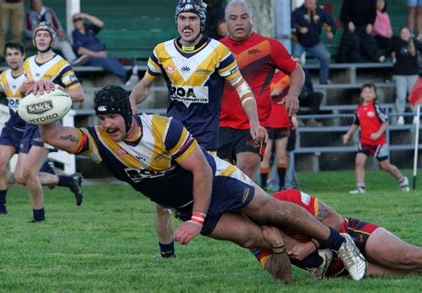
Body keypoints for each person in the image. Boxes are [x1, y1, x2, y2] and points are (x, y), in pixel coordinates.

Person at [29, 83, 367, 281]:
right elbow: (56, 135)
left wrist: (197, 221)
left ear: (128, 113)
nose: (108, 125)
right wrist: (44, 104)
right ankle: (314, 262)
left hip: (216, 180)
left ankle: (339, 243)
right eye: (101, 119)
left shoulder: (164, 129)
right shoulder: (101, 141)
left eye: (113, 117)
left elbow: (202, 172)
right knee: (254, 237)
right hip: (186, 204)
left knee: (272, 211)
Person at [130, 0, 267, 259]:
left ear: (201, 22)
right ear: (176, 22)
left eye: (193, 19)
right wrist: (130, 104)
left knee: (220, 199)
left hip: (204, 139)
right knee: (160, 197)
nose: (187, 24)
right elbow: (144, 86)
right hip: (172, 135)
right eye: (183, 19)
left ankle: (261, 235)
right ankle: (166, 253)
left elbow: (243, 89)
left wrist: (255, 122)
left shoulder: (218, 52)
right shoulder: (162, 51)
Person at [0, 41, 82, 214]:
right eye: (9, 54)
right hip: (12, 127)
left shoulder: (32, 77)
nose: (12, 58)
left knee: (24, 176)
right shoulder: (3, 77)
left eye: (16, 54)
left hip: (31, 126)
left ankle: (60, 185)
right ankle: (1, 210)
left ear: (24, 56)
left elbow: (49, 96)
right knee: (1, 167)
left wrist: (34, 90)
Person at [218, 0, 303, 179]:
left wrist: (293, 95)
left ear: (252, 19)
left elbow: (296, 71)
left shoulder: (269, 46)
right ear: (226, 22)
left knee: (244, 174)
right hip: (220, 124)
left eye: (244, 17)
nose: (239, 22)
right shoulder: (215, 49)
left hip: (255, 125)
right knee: (221, 179)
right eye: (233, 18)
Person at [254, 188, 422, 278]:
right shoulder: (252, 234)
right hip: (341, 269)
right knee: (409, 271)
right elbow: (284, 277)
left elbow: (335, 220)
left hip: (353, 235)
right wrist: (277, 246)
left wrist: (310, 246)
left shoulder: (287, 197)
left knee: (407, 258)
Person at [21, 22, 85, 222]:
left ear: (52, 40)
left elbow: (79, 94)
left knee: (29, 172)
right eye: (38, 35)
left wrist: (55, 88)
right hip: (30, 121)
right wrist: (27, 88)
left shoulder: (61, 64)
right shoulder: (28, 63)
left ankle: (39, 217)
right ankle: (69, 181)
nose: (41, 38)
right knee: (20, 176)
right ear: (34, 39)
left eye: (45, 35)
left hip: (50, 124)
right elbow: (24, 90)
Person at [342, 83, 410, 194]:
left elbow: (385, 122)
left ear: (374, 95)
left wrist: (378, 134)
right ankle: (360, 187)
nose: (368, 94)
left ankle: (402, 179)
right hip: (365, 141)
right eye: (366, 92)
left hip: (379, 142)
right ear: (361, 95)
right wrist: (348, 135)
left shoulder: (376, 107)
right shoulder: (358, 110)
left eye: (371, 92)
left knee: (385, 166)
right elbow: (355, 124)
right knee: (359, 161)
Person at [260, 70, 297, 191]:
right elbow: (274, 91)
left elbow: (278, 90)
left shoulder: (286, 77)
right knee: (266, 155)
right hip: (267, 120)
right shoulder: (264, 76)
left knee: (281, 155)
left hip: (281, 120)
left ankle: (281, 185)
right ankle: (264, 186)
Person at [24, 0, 87, 66]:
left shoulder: (48, 11)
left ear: (41, 2)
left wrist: (60, 32)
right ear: (31, 4)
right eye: (34, 3)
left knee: (64, 44)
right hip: (35, 40)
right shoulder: (28, 14)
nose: (36, 4)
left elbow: (56, 25)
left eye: (38, 2)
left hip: (50, 39)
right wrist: (35, 34)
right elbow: (26, 30)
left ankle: (73, 61)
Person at [71, 12, 127, 81]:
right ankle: (126, 76)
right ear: (73, 23)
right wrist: (97, 54)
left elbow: (101, 24)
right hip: (89, 58)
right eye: (75, 20)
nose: (77, 21)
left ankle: (125, 77)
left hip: (102, 55)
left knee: (112, 60)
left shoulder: (89, 29)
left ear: (82, 20)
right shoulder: (75, 34)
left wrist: (86, 16)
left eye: (79, 19)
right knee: (105, 61)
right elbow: (80, 50)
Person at [291, 0, 336, 84]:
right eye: (307, 0)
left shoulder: (321, 12)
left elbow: (331, 23)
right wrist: (299, 30)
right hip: (300, 42)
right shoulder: (298, 11)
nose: (309, 2)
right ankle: (295, 82)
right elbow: (290, 25)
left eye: (311, 0)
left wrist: (331, 32)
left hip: (315, 43)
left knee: (326, 57)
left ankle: (323, 80)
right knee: (295, 59)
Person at [390, 26, 422, 125]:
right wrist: (382, 55)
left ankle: (416, 116)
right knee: (401, 96)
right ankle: (400, 116)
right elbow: (388, 50)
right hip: (400, 74)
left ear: (410, 33)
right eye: (403, 32)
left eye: (406, 32)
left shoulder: (415, 43)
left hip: (413, 74)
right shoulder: (396, 43)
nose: (405, 34)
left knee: (415, 96)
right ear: (400, 34)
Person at [0, 0, 25, 66]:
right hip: (3, 3)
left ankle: (16, 54)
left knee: (18, 31)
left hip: (18, 3)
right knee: (2, 30)